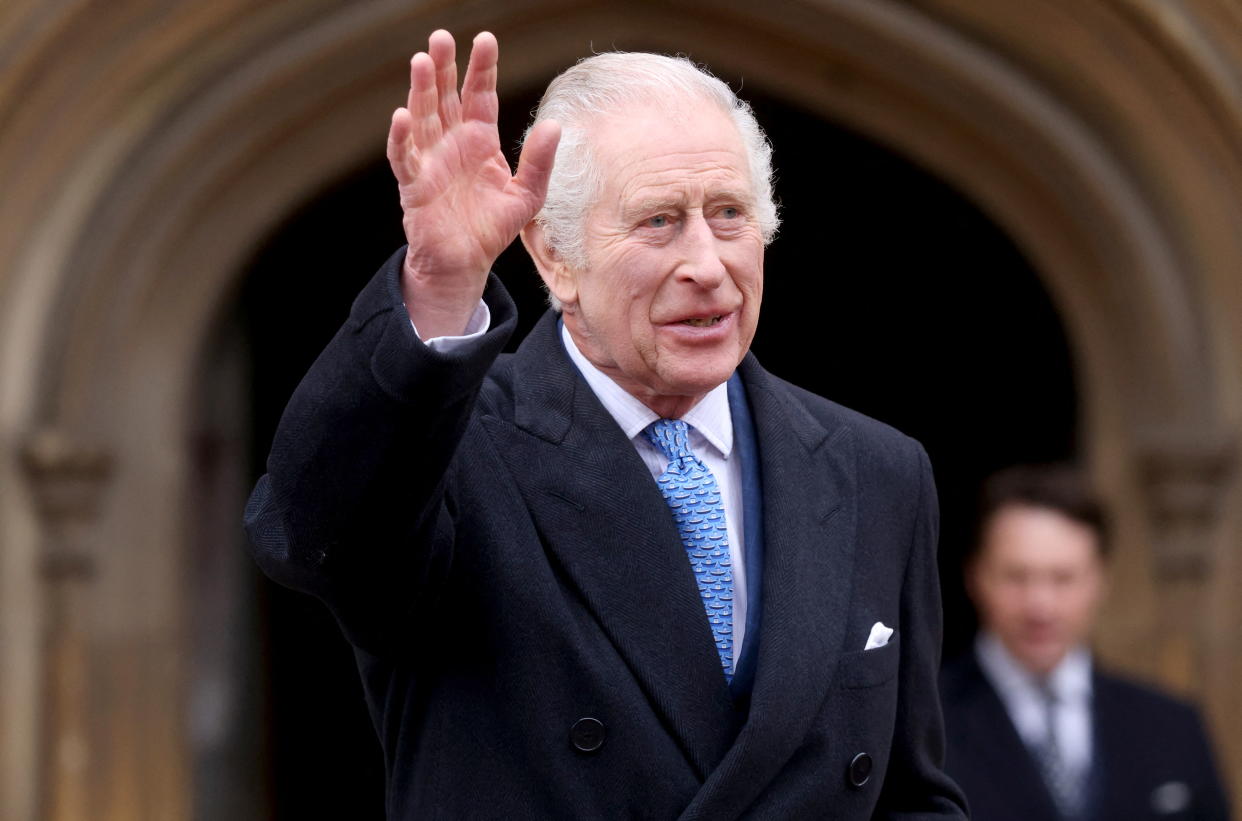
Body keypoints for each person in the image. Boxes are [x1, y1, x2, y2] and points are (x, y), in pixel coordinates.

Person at [245, 28, 967, 819]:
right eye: (658, 221)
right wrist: (440, 282)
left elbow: (911, 792)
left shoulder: (878, 470)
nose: (706, 263)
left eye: (728, 214)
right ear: (555, 255)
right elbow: (310, 534)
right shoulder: (453, 452)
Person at [940, 464, 1231, 821]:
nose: (1040, 606)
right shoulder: (924, 725)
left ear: (1100, 579)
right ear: (974, 577)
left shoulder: (1172, 726)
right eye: (1016, 577)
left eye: (1063, 578)